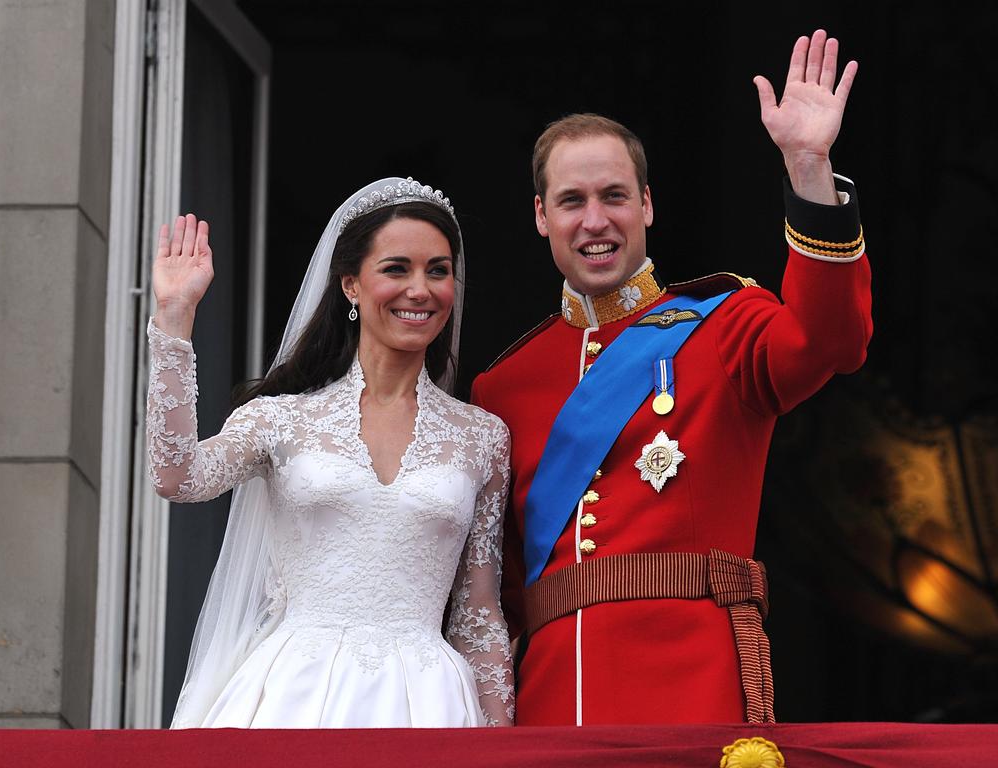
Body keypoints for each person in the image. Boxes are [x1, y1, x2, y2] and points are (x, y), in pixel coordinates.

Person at [471, 31, 871, 725]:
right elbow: (494, 588)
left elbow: (831, 341)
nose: (595, 221)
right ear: (541, 217)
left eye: (614, 196)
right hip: (553, 699)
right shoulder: (501, 385)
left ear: (647, 205)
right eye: (571, 201)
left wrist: (808, 168)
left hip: (691, 685)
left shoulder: (724, 325)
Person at [147, 177, 514, 728]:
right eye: (397, 268)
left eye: (437, 270)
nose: (421, 289)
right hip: (295, 695)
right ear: (350, 285)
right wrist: (175, 318)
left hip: (430, 704)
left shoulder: (483, 437)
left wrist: (500, 742)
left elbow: (477, 611)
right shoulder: (280, 417)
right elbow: (177, 477)